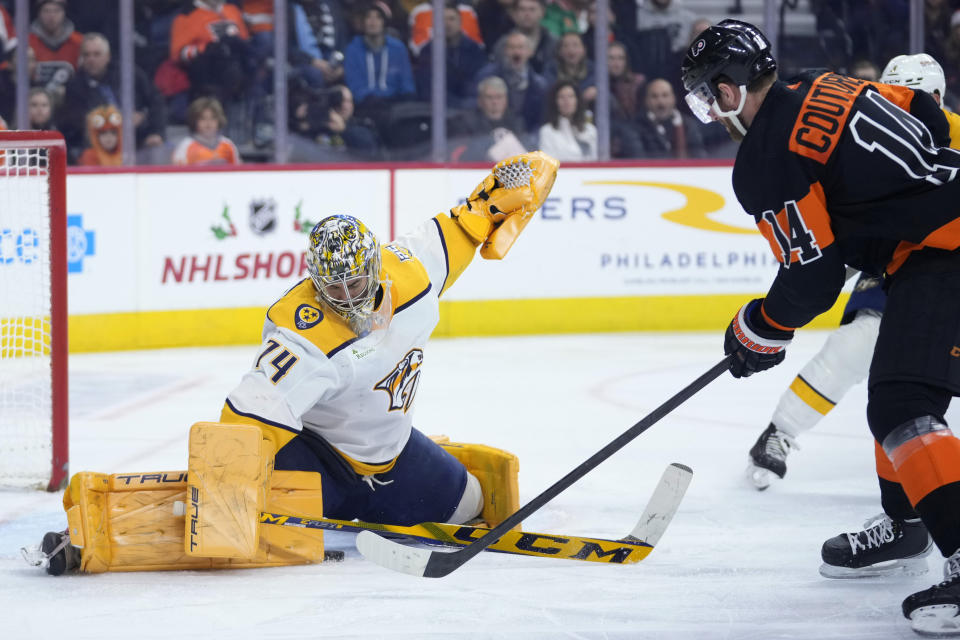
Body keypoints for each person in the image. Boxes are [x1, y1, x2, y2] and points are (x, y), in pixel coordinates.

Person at [26, 152, 558, 577]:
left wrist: (508, 187)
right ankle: (100, 528)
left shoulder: (415, 274)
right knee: (221, 519)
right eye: (335, 287)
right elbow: (243, 423)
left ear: (377, 265)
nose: (349, 297)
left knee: (471, 508)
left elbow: (467, 224)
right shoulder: (303, 336)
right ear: (314, 278)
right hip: (315, 459)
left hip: (389, 457)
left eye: (358, 282)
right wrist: (221, 504)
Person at [681, 19, 960, 636]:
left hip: (945, 250)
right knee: (901, 387)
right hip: (931, 244)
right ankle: (910, 520)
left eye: (708, 95)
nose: (711, 110)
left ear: (729, 91)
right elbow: (924, 110)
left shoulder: (762, 158)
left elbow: (813, 276)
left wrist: (759, 329)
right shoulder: (819, 84)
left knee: (902, 404)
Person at [746, 52, 960, 492]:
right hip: (897, 257)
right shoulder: (872, 117)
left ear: (938, 97)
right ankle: (781, 431)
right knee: (860, 343)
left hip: (942, 252)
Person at [60, 33, 167, 162]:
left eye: (96, 54)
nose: (91, 59)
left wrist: (156, 131)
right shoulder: (75, 86)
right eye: (86, 55)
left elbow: (156, 100)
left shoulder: (129, 74)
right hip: (96, 147)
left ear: (108, 56)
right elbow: (74, 121)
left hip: (137, 140)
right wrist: (117, 120)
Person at [342, 3, 416, 113]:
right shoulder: (352, 49)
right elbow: (354, 84)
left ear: (384, 22)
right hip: (365, 105)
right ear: (363, 22)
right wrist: (368, 98)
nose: (373, 21)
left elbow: (406, 81)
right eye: (368, 17)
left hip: (396, 103)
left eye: (378, 17)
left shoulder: (398, 48)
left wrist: (407, 97)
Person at [413, 1, 487, 108]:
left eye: (452, 19)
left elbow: (478, 82)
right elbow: (427, 88)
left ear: (460, 22)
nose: (447, 24)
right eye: (442, 19)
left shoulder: (474, 49)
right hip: (437, 108)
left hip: (468, 107)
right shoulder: (427, 51)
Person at [473, 30, 549, 133]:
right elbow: (475, 108)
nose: (516, 52)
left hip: (527, 139)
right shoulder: (486, 76)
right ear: (505, 51)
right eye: (512, 47)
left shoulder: (540, 85)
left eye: (521, 47)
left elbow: (542, 119)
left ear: (530, 52)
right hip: (491, 134)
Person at [450, 75, 528, 162]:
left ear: (506, 100)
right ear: (480, 101)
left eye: (499, 97)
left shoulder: (517, 122)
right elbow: (462, 154)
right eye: (489, 97)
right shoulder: (466, 122)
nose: (494, 102)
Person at [29, 0, 84, 102]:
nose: (51, 16)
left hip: (71, 101)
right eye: (46, 11)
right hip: (35, 101)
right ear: (39, 13)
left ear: (64, 13)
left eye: (56, 11)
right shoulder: (27, 42)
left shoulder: (79, 42)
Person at [635, 77, 704, 159]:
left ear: (673, 98)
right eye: (654, 96)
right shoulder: (636, 127)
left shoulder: (689, 125)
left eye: (665, 95)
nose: (660, 101)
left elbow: (699, 156)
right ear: (646, 100)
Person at [171, 97, 241, 165]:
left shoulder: (228, 145)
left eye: (213, 118)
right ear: (194, 120)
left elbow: (238, 171)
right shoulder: (185, 146)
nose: (208, 123)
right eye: (203, 118)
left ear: (219, 120)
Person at [537, 80, 596, 161]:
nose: (566, 101)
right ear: (555, 102)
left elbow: (595, 161)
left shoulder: (590, 130)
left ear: (577, 100)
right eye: (561, 97)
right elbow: (548, 164)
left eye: (570, 96)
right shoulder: (547, 132)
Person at [542, 31, 596, 106]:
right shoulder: (551, 70)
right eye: (566, 46)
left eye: (575, 45)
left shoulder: (593, 70)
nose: (571, 50)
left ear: (584, 50)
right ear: (559, 51)